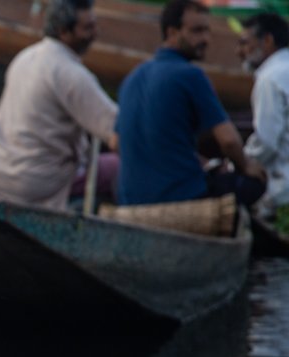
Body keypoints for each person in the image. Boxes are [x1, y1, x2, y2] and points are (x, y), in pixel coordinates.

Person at [114, 0, 265, 206]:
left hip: (130, 199)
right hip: (182, 197)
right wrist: (246, 166)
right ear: (172, 32)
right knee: (254, 184)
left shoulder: (132, 76)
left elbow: (116, 142)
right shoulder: (191, 75)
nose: (205, 39)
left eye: (206, 31)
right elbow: (229, 141)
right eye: (197, 31)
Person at [0, 0, 120, 211]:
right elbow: (118, 133)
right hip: (36, 183)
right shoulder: (73, 75)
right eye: (87, 28)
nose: (95, 33)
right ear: (64, 32)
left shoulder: (25, 57)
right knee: (118, 167)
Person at [238, 13, 289, 217]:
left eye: (244, 43)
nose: (239, 51)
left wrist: (240, 161)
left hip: (282, 189)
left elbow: (266, 142)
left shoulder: (270, 77)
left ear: (267, 40)